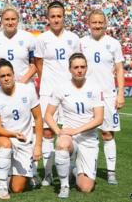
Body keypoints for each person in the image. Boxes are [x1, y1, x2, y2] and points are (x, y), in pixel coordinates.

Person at [0, 5, 39, 186]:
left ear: (18, 20)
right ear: (1, 21)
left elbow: (35, 64)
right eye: (6, 19)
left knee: (30, 128)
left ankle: (31, 171)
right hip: (2, 89)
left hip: (25, 89)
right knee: (3, 127)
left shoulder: (28, 38)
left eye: (13, 19)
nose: (10, 22)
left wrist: (22, 81)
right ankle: (3, 172)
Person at [44, 53, 104, 198]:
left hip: (88, 139)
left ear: (86, 68)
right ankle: (64, 186)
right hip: (69, 138)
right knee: (62, 143)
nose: (79, 70)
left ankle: (74, 169)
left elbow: (99, 119)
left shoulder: (95, 88)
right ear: (70, 69)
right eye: (76, 67)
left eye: (82, 67)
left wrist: (75, 130)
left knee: (86, 188)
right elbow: (48, 115)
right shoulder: (61, 88)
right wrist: (60, 132)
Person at [34, 1, 80, 186]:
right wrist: (46, 82)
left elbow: (78, 63)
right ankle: (47, 173)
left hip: (69, 91)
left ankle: (69, 171)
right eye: (52, 16)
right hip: (48, 91)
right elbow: (38, 63)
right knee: (47, 132)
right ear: (47, 18)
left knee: (70, 131)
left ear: (64, 17)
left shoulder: (74, 38)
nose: (56, 19)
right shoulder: (42, 39)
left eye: (59, 16)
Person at [80, 9, 125, 185]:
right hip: (86, 95)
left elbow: (120, 69)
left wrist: (120, 93)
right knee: (83, 134)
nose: (97, 26)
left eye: (100, 23)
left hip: (107, 95)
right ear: (88, 24)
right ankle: (82, 169)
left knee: (107, 134)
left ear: (105, 24)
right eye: (94, 23)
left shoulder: (113, 43)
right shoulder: (82, 43)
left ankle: (111, 172)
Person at [0, 59, 43, 200]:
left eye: (9, 74)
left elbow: (38, 118)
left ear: (13, 74)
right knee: (6, 144)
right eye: (2, 76)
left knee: (17, 188)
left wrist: (38, 146)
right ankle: (2, 188)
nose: (6, 78)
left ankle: (13, 177)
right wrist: (13, 134)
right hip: (4, 139)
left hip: (25, 144)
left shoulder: (28, 90)